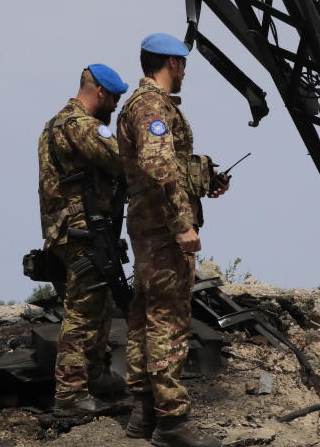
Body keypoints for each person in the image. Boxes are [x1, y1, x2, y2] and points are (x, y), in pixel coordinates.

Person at [116, 34, 227, 446]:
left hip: (149, 225)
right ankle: (172, 424)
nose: (184, 73)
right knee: (167, 320)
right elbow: (159, 165)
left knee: (145, 315)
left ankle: (143, 414)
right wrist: (183, 223)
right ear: (172, 63)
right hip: (162, 228)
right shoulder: (151, 105)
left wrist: (204, 181)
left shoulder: (142, 106)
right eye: (183, 65)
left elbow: (169, 166)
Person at [37, 64, 130, 416]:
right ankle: (70, 395)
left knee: (101, 303)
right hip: (81, 229)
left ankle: (95, 374)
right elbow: (121, 158)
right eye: (115, 98)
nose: (117, 106)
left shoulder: (56, 123)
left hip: (74, 227)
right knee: (82, 310)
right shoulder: (78, 124)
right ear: (100, 92)